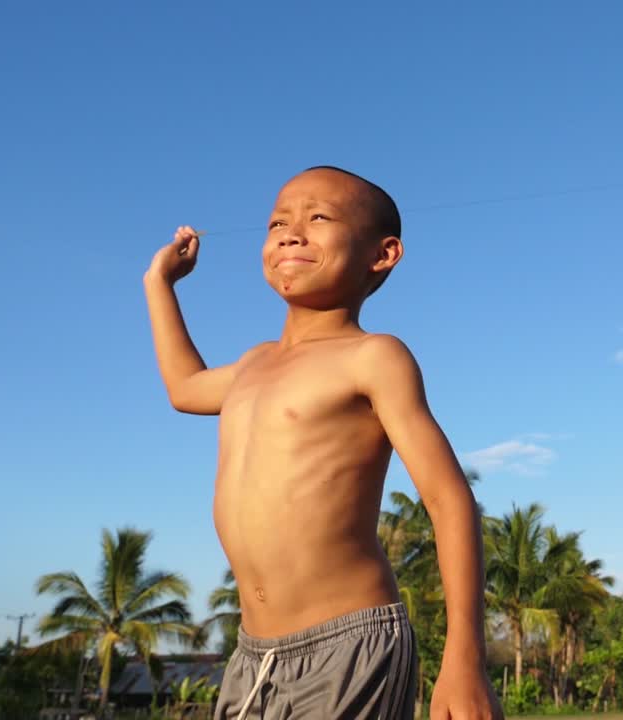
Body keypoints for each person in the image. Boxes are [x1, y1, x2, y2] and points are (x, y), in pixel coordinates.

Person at [144, 166, 501, 720]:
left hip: (349, 644)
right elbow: (184, 388)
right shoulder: (253, 365)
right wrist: (159, 285)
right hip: (251, 653)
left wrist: (464, 658)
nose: (291, 232)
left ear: (382, 255)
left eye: (318, 218)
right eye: (278, 221)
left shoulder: (374, 357)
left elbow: (449, 500)